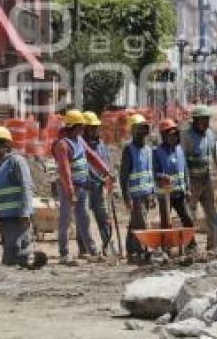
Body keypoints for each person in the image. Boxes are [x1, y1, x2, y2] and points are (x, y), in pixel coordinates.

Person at [52, 109, 112, 265]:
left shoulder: (79, 140)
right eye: (80, 126)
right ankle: (64, 253)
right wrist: (70, 192)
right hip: (68, 189)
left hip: (82, 187)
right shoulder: (62, 145)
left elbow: (91, 155)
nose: (82, 129)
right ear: (73, 126)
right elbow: (65, 171)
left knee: (84, 219)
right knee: (66, 220)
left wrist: (106, 171)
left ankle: (92, 250)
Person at [180, 105, 217, 251]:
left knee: (211, 213)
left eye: (207, 120)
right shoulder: (186, 137)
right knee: (190, 214)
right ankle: (190, 245)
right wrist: (183, 183)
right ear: (195, 120)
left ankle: (212, 246)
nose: (206, 123)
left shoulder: (210, 134)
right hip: (191, 181)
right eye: (203, 120)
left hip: (206, 179)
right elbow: (181, 160)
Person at [0, 126, 36, 267]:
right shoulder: (0, 168)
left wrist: (25, 213)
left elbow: (26, 186)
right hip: (6, 220)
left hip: (18, 219)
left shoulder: (16, 161)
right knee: (9, 259)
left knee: (20, 256)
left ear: (6, 145)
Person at [119, 114, 156, 261]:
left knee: (134, 223)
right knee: (141, 224)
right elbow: (123, 176)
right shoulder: (129, 150)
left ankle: (131, 250)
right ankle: (140, 250)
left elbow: (149, 172)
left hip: (146, 194)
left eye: (144, 130)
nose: (142, 133)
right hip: (135, 196)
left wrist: (152, 193)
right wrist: (126, 197)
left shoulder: (148, 150)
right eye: (140, 129)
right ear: (133, 130)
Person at [153, 119, 194, 234]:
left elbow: (185, 170)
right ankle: (166, 247)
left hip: (179, 194)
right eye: (170, 135)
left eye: (175, 135)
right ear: (164, 136)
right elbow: (153, 172)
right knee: (166, 222)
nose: (174, 138)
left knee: (188, 220)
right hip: (165, 195)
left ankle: (191, 245)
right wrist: (162, 176)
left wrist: (188, 188)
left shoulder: (179, 150)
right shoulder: (157, 152)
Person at [80, 110, 112, 254]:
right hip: (84, 188)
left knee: (104, 218)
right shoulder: (79, 146)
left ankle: (107, 246)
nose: (95, 130)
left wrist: (108, 179)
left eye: (95, 127)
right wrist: (100, 178)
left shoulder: (101, 145)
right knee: (84, 220)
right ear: (84, 129)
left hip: (99, 189)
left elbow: (106, 164)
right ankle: (84, 249)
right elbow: (85, 167)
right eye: (92, 127)